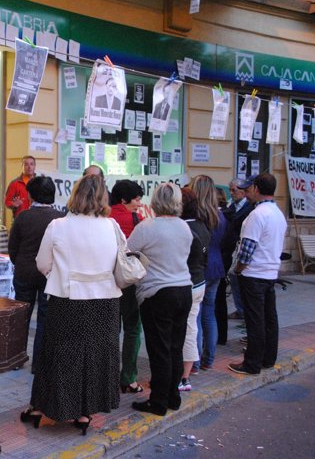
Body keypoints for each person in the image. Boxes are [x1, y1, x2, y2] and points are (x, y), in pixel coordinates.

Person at [22, 175, 121, 436]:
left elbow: (42, 264)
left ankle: (44, 406)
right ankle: (85, 411)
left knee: (60, 354)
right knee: (95, 355)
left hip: (67, 298)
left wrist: (63, 274)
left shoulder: (58, 225)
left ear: (74, 194)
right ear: (103, 197)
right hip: (105, 301)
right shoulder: (112, 226)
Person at [127, 183, 192, 416]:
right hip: (184, 289)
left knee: (159, 350)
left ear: (155, 200)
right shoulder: (184, 227)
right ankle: (173, 396)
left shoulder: (147, 227)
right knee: (175, 348)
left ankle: (158, 401)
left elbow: (126, 252)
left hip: (157, 292)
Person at [229, 173, 286, 375]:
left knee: (255, 320)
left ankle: (252, 363)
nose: (245, 192)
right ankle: (268, 358)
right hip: (270, 272)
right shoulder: (277, 213)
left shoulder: (257, 215)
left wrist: (238, 270)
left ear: (256, 188)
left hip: (254, 274)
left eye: (248, 188)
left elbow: (247, 250)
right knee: (269, 319)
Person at [8, 176, 64, 373]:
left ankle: (16, 358)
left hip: (24, 271)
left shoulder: (23, 217)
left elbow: (12, 247)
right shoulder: (60, 219)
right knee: (45, 317)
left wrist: (19, 262)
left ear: (30, 196)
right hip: (49, 273)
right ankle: (39, 362)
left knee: (21, 315)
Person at [109, 180, 145, 393]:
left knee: (112, 329)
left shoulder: (104, 218)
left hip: (108, 280)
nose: (140, 203)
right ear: (124, 200)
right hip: (129, 281)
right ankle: (129, 377)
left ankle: (108, 374)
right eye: (137, 199)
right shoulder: (136, 221)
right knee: (132, 328)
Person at [189, 175, 227, 372]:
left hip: (199, 269)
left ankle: (194, 361)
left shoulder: (196, 216)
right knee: (209, 314)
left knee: (195, 316)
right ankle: (209, 359)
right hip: (217, 267)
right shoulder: (220, 216)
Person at [178, 187, 210, 392]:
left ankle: (180, 376)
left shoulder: (182, 228)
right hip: (199, 282)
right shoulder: (203, 226)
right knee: (191, 328)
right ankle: (186, 376)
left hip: (184, 283)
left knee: (181, 330)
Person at [222, 179, 254, 321]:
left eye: (234, 190)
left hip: (239, 248)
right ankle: (241, 309)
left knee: (237, 278)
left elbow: (236, 221)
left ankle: (242, 310)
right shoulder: (231, 205)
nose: (232, 193)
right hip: (230, 248)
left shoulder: (249, 208)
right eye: (230, 190)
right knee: (234, 279)